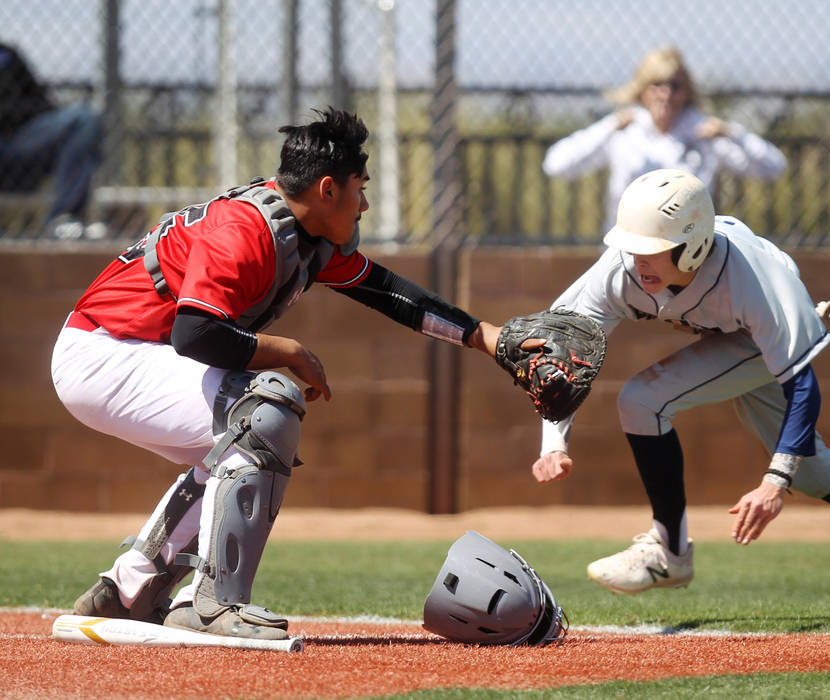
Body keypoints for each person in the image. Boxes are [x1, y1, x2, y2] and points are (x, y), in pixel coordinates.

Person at [52, 107, 503, 640]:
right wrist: (287, 350)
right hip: (105, 353)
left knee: (238, 446)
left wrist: (492, 341)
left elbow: (390, 293)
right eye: (361, 187)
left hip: (128, 351)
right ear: (328, 189)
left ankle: (130, 588)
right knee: (264, 410)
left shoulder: (301, 230)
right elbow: (194, 334)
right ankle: (213, 603)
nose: (366, 202)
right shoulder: (244, 230)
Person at [529, 168, 830, 619]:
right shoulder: (621, 270)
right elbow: (561, 353)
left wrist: (774, 482)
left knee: (641, 399)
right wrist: (554, 442)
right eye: (631, 245)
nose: (637, 259)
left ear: (693, 246)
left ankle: (670, 553)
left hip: (759, 334)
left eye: (653, 249)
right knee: (814, 471)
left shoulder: (754, 278)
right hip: (728, 332)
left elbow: (802, 383)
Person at [542, 45, 786, 231]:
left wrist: (732, 133)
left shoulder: (704, 133)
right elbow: (556, 165)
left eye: (675, 86)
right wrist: (609, 126)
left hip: (688, 255)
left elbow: (774, 167)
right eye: (657, 84)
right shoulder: (624, 131)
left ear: (686, 91)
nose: (665, 94)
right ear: (642, 88)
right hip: (626, 250)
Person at [0, 42, 106, 239]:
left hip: (22, 143)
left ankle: (63, 220)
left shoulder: (7, 54)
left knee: (84, 119)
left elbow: (41, 104)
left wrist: (11, 114)